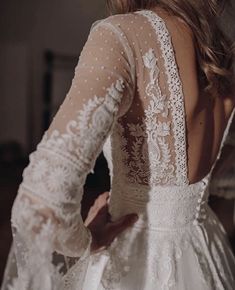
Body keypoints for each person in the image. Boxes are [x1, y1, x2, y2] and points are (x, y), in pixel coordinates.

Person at [1, 0, 235, 289]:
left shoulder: (122, 35)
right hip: (203, 253)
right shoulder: (222, 51)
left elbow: (41, 202)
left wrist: (86, 241)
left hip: (136, 257)